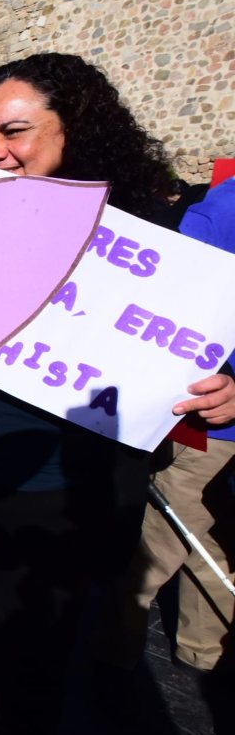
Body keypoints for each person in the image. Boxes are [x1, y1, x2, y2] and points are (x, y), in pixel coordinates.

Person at [0, 53, 235, 735]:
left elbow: (197, 342)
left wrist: (228, 388)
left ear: (76, 128)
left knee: (37, 654)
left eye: (14, 130)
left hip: (67, 491)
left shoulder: (152, 236)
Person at [100, 176, 235, 674]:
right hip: (215, 429)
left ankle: (202, 653)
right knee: (166, 548)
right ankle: (117, 663)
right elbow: (174, 316)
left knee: (214, 549)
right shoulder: (222, 212)